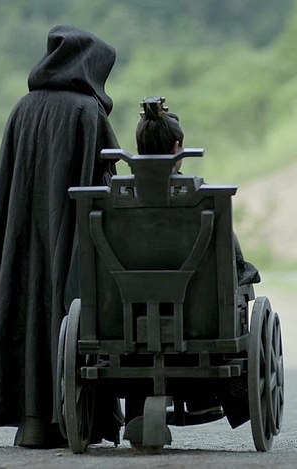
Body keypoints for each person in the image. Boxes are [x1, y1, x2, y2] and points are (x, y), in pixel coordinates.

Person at [0, 25, 122, 448]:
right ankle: (70, 419)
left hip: (21, 240)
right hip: (70, 239)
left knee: (25, 306)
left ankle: (33, 422)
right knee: (66, 308)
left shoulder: (21, 110)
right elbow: (107, 186)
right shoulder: (86, 113)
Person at [122, 96, 261, 424]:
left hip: (127, 321)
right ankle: (205, 397)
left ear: (138, 148)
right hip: (198, 322)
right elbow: (233, 262)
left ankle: (136, 409)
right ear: (178, 148)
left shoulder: (114, 203)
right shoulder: (203, 202)